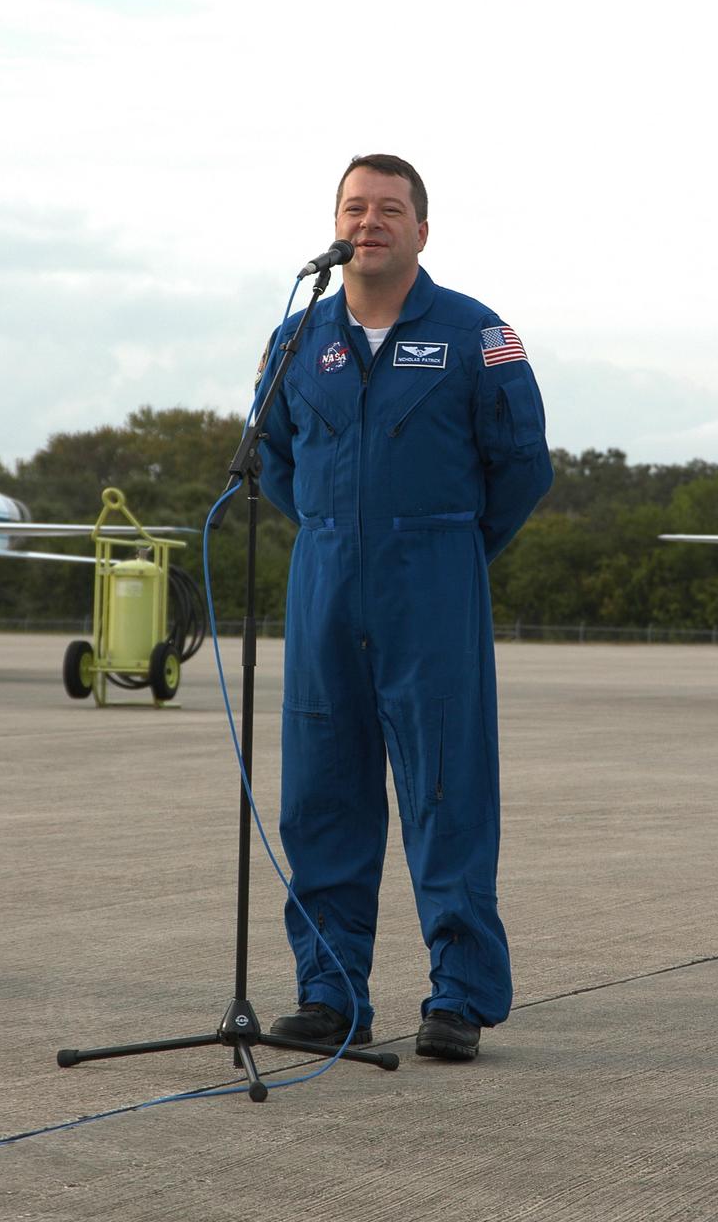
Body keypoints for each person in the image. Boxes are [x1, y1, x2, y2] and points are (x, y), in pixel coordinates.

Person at [257, 153, 553, 1060]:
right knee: (322, 792)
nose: (370, 220)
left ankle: (458, 997)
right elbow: (273, 463)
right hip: (325, 582)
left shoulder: (476, 332)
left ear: (422, 229)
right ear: (335, 224)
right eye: (355, 207)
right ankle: (330, 993)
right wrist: (340, 536)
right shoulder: (295, 339)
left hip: (433, 582)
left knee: (444, 789)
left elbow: (523, 466)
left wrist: (450, 547)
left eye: (391, 208)